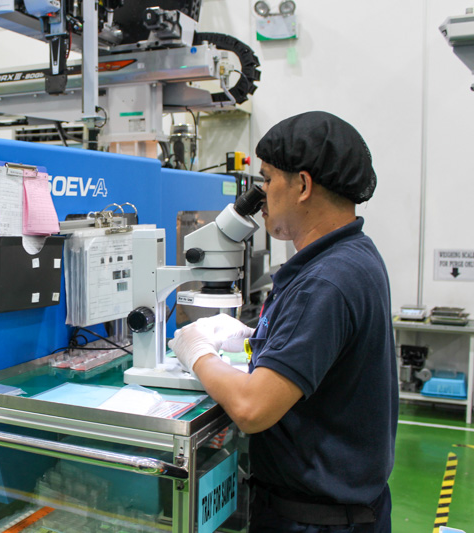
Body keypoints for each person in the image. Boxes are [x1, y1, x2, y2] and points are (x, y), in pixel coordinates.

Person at [169, 111, 398, 532]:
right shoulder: (354, 255)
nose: (263, 194)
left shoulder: (325, 280)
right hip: (344, 509)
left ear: (304, 185)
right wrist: (259, 338)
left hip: (316, 521)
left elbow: (252, 408)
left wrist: (196, 352)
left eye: (269, 179)